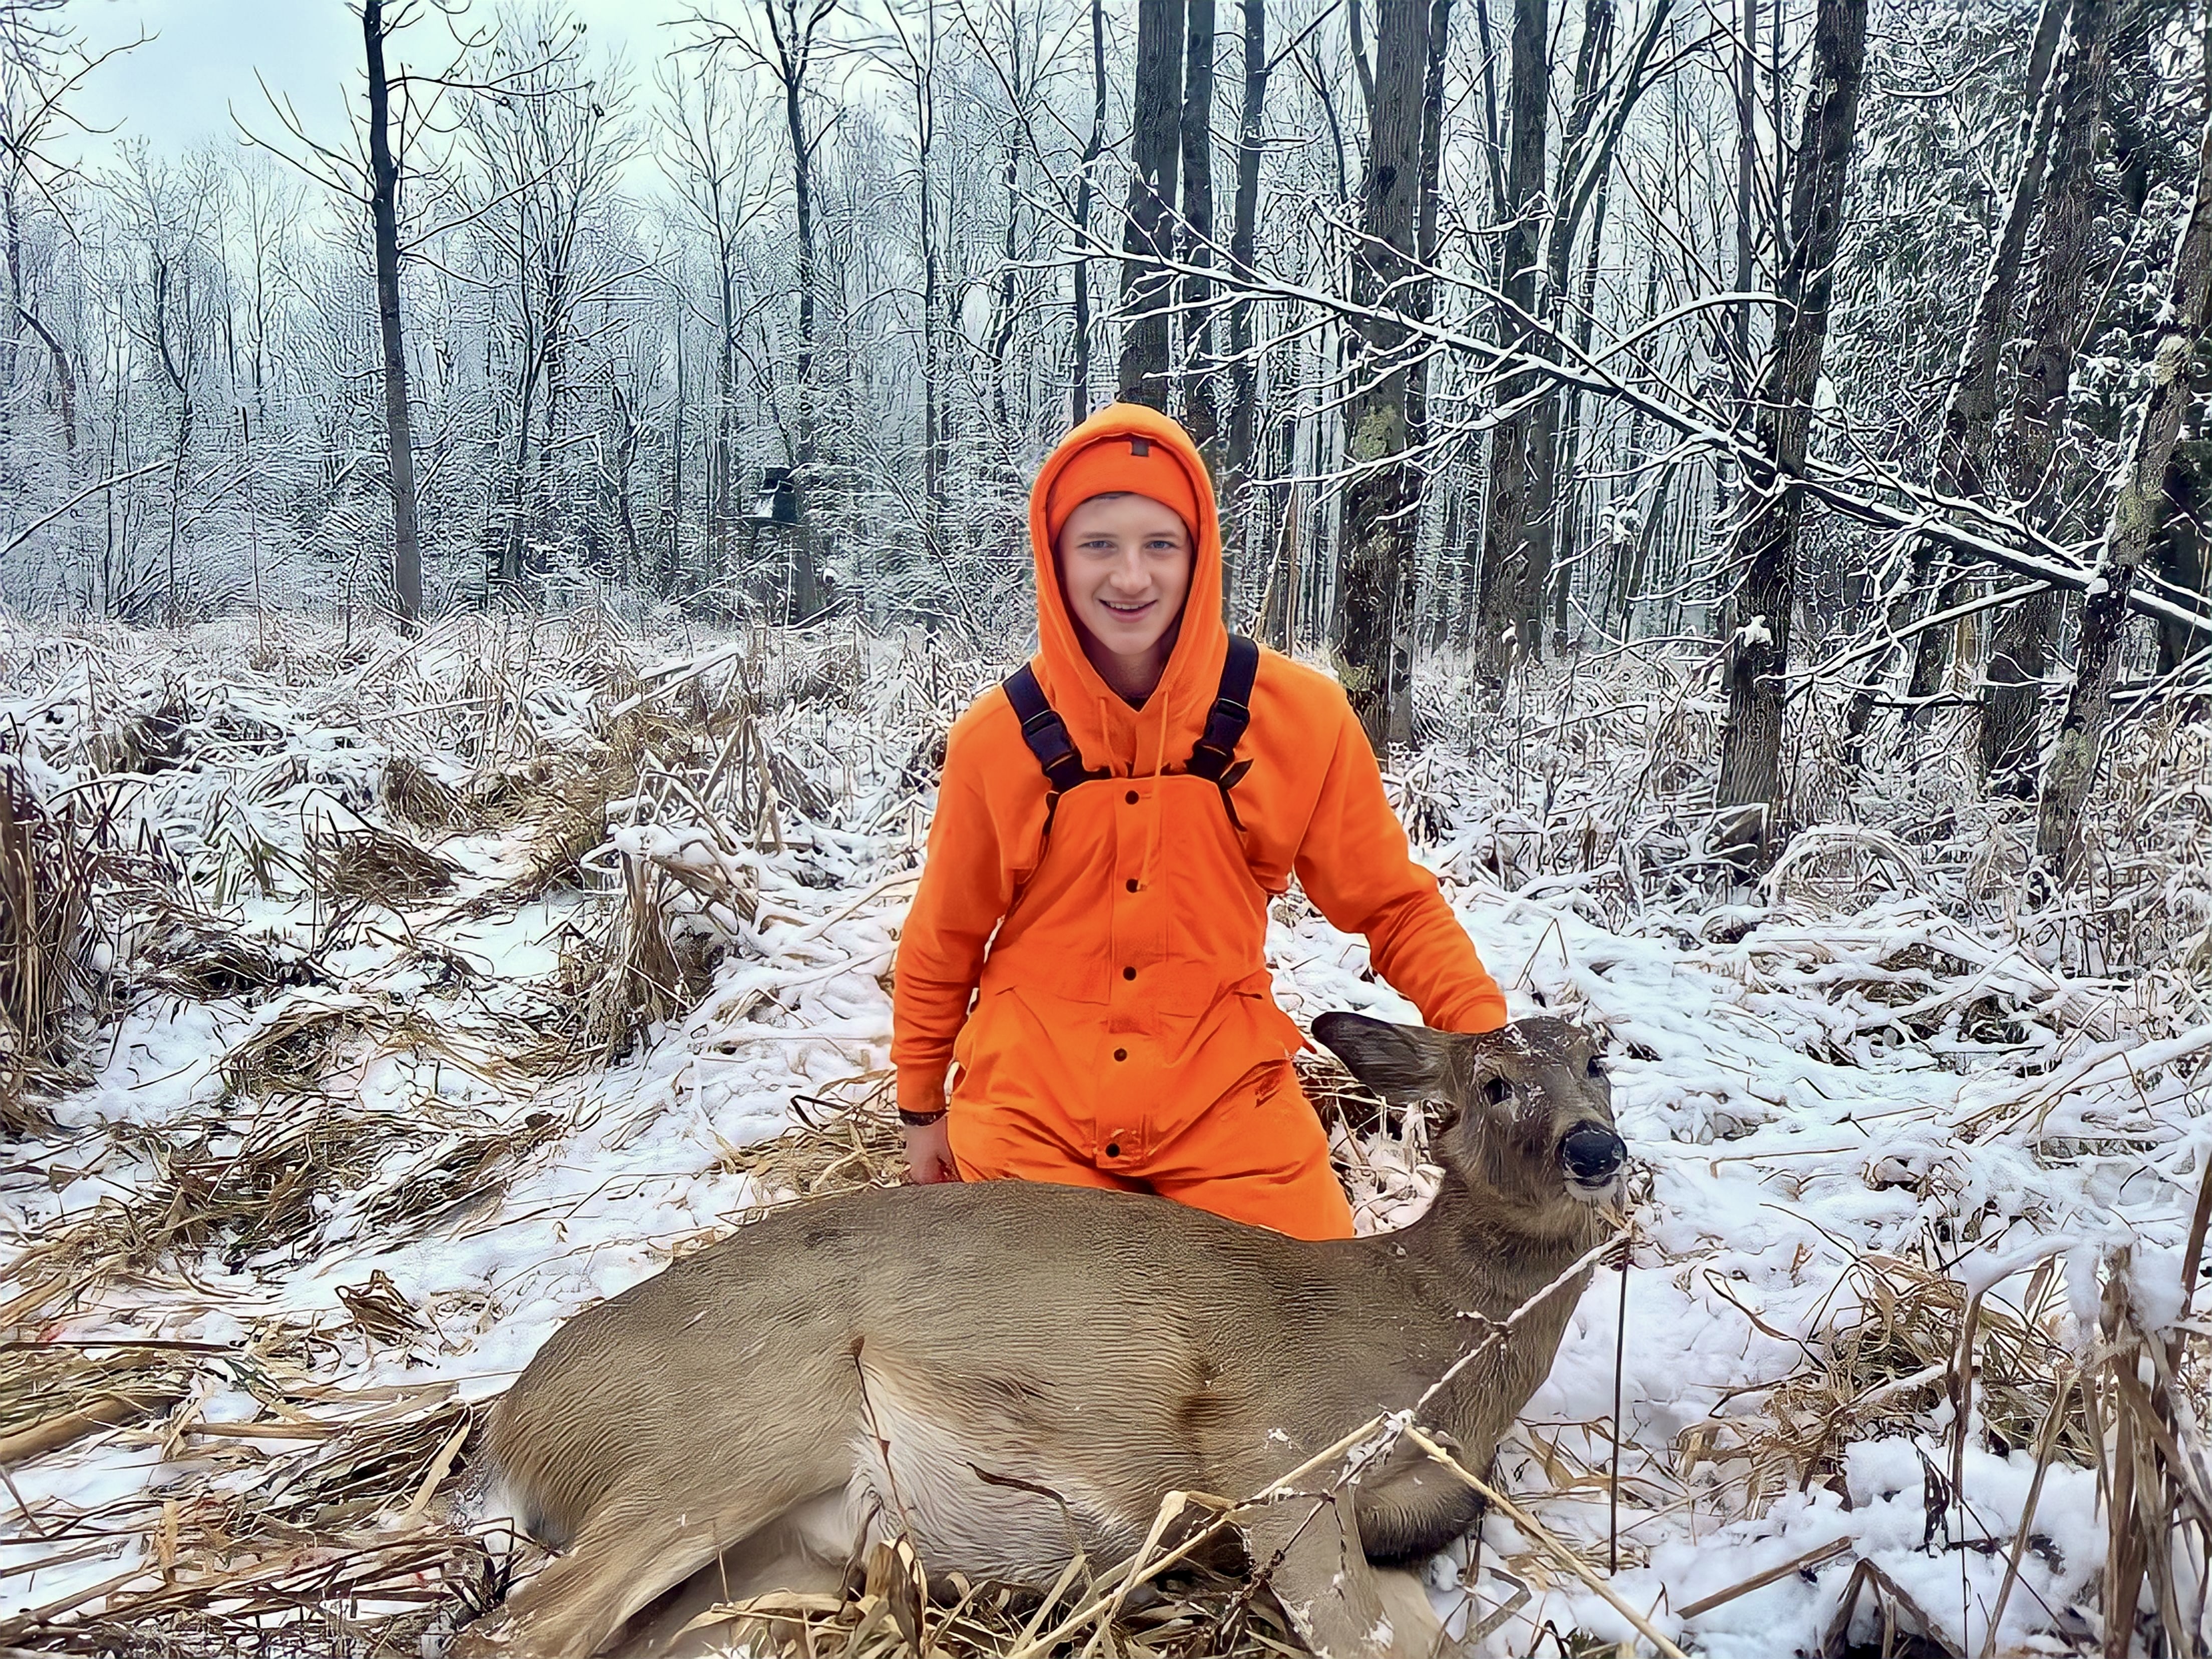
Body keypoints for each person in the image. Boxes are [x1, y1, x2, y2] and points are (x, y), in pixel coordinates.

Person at [889, 403, 1507, 1241]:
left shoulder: (1302, 718)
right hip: (1032, 1105)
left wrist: (1492, 1045)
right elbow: (945, 936)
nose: (1131, 577)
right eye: (1099, 544)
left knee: (1315, 1324)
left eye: (1160, 544)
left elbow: (1393, 906)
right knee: (1061, 1352)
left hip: (1224, 1100)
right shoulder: (997, 740)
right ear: (1055, 556)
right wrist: (923, 1108)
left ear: (1200, 553)